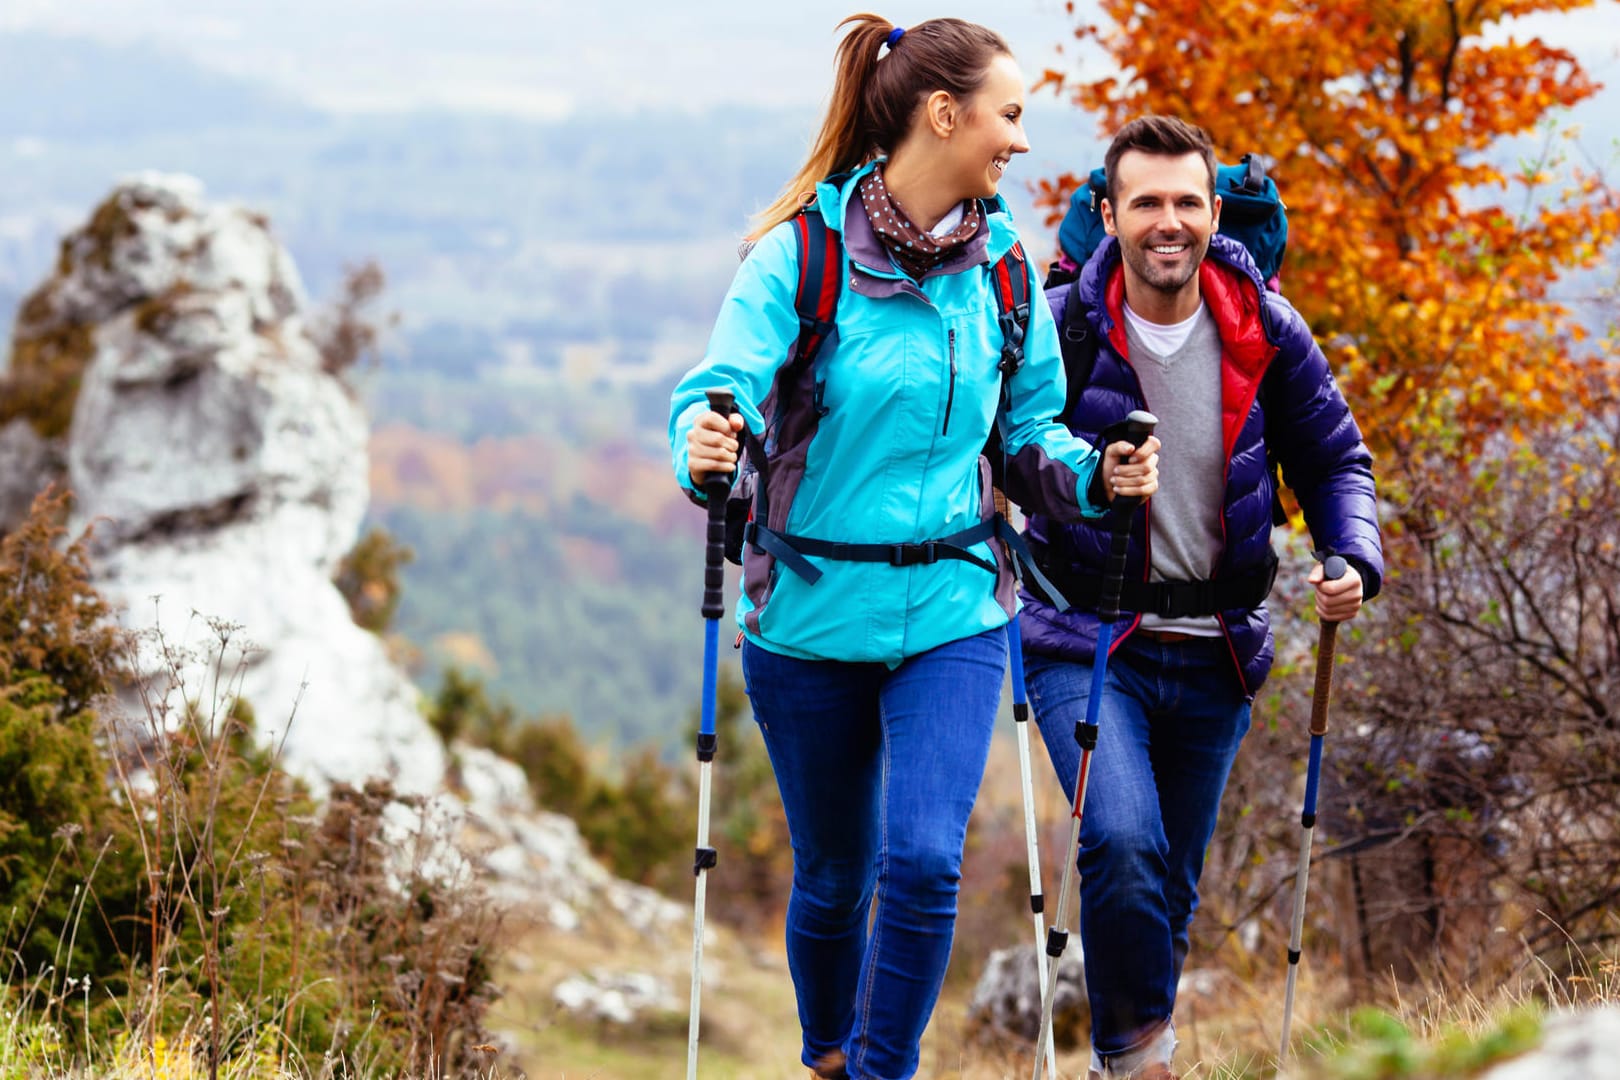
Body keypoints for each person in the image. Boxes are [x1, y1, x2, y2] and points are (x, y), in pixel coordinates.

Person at [669, 16, 1161, 1080]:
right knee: (837, 874)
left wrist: (1093, 474)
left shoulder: (1005, 268)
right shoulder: (799, 254)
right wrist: (705, 442)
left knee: (927, 861)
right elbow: (720, 391)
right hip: (807, 613)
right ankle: (827, 1056)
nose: (1021, 142)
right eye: (1011, 115)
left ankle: (885, 1073)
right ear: (946, 114)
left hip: (955, 608)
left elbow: (1029, 437)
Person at [1018, 115, 1383, 1080]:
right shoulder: (1061, 327)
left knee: (1169, 886)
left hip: (1220, 641)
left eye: (1186, 201)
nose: (1167, 222)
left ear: (1214, 211)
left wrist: (1354, 555)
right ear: (1110, 214)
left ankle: (1130, 1053)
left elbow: (1336, 457)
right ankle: (1141, 1063)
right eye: (1146, 203)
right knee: (1123, 841)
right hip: (1087, 636)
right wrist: (1087, 477)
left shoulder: (1265, 325)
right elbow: (1012, 457)